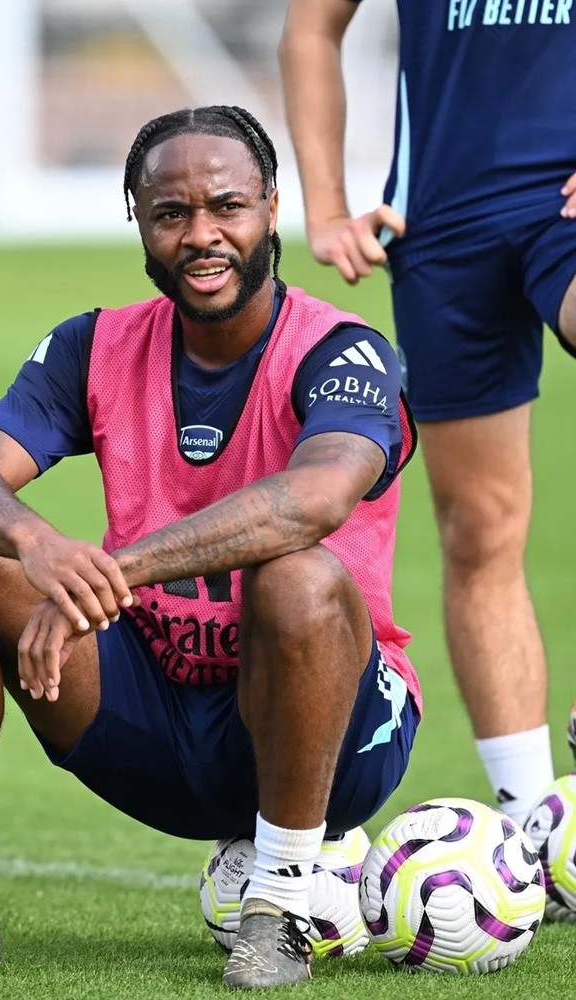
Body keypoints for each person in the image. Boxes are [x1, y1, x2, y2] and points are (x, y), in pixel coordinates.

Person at [0, 105, 420, 990]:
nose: (202, 235)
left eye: (227, 207)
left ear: (270, 205)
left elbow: (314, 500)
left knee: (295, 577)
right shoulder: (92, 344)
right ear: (138, 220)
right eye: (170, 214)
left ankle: (283, 902)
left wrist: (114, 571)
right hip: (161, 710)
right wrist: (33, 540)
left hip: (338, 734)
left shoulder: (344, 352)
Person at [279, 0, 576, 824]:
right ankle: (532, 829)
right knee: (478, 525)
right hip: (444, 223)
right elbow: (311, 27)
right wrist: (328, 203)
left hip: (565, 196)